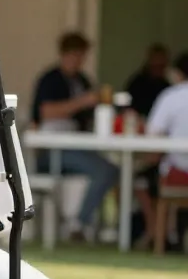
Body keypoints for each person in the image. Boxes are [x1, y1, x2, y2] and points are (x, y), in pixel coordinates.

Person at [30, 31, 119, 242]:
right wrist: (82, 102)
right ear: (64, 54)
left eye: (81, 56)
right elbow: (45, 112)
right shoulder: (50, 79)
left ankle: (96, 225)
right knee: (104, 170)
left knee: (111, 169)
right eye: (75, 55)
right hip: (52, 150)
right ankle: (78, 223)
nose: (78, 61)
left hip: (78, 145)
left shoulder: (82, 80)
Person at [139, 51, 188, 246]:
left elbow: (153, 134)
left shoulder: (171, 96)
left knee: (140, 179)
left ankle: (157, 234)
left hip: (178, 171)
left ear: (177, 73)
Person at [125, 43, 171, 118]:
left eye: (161, 65)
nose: (158, 67)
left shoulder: (168, 86)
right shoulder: (137, 84)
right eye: (156, 64)